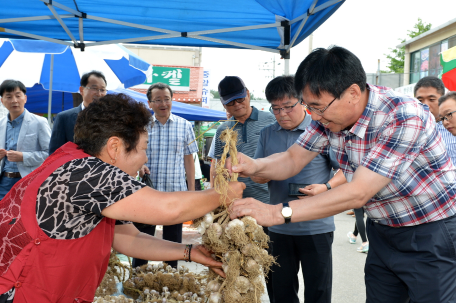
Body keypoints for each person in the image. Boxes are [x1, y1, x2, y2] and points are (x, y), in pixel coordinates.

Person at [228, 46, 456, 303]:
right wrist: (253, 166)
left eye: (318, 107)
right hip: (382, 231)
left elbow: (358, 192)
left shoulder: (403, 116)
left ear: (353, 93)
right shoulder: (329, 118)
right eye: (308, 106)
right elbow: (292, 158)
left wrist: (274, 212)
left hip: (430, 234)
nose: (313, 116)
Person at [0, 93, 244, 303]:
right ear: (115, 147)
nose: (145, 159)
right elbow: (169, 208)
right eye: (144, 148)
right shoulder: (86, 174)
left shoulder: (74, 163)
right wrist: (225, 192)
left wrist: (188, 252)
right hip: (19, 291)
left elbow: (129, 238)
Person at [253, 75, 345, 303]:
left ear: (302, 102)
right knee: (280, 290)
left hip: (316, 226)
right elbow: (257, 177)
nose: (282, 114)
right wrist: (254, 170)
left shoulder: (322, 131)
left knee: (318, 291)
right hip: (278, 227)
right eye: (276, 109)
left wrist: (326, 186)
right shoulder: (267, 134)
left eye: (288, 107)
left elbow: (347, 170)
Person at [213, 76, 276, 301]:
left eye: (240, 99)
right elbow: (215, 168)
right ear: (223, 104)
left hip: (269, 208)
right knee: (240, 272)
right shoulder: (224, 129)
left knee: (273, 270)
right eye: (231, 103)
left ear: (248, 93)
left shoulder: (271, 121)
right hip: (236, 212)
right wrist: (216, 201)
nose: (237, 105)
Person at [142, 82, 197, 268]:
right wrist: (141, 165)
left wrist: (191, 192)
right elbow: (134, 155)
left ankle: (170, 276)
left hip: (176, 194)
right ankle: (138, 276)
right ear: (150, 103)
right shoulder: (142, 127)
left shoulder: (185, 125)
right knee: (143, 240)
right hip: (147, 194)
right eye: (158, 100)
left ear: (172, 100)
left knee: (172, 242)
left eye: (167, 99)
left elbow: (189, 160)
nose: (163, 103)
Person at [0, 80, 51, 200]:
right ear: (2, 101)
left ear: (25, 98)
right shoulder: (1, 124)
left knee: (25, 217)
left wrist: (24, 156)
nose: (14, 100)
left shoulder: (39, 122)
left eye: (18, 96)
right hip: (3, 183)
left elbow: (50, 153)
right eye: (9, 96)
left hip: (29, 181)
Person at [48, 70, 107, 155]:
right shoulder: (64, 118)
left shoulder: (111, 118)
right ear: (82, 90)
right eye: (94, 88)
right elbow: (54, 154)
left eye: (102, 90)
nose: (99, 93)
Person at [414, 76, 456, 164]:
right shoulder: (410, 130)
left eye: (431, 99)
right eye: (420, 100)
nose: (426, 105)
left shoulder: (452, 127)